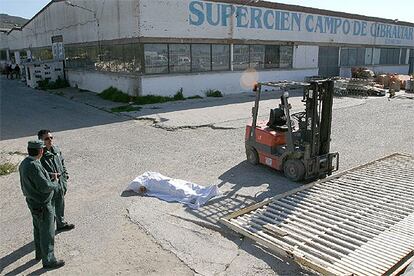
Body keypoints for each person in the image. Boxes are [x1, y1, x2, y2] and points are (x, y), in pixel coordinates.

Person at [19, 140, 65, 269]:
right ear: (40, 151)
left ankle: (40, 253)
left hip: (33, 202)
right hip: (42, 204)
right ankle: (49, 260)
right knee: (47, 232)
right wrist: (55, 182)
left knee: (38, 229)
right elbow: (45, 187)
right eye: (43, 149)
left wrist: (50, 175)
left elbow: (38, 178)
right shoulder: (34, 165)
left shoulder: (25, 163)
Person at [38, 129, 75, 232]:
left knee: (60, 203)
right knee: (50, 208)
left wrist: (65, 175)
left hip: (61, 183)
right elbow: (39, 172)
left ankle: (61, 224)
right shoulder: (40, 154)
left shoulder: (56, 150)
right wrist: (52, 176)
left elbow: (62, 163)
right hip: (50, 185)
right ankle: (48, 229)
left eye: (51, 137)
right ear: (41, 141)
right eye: (46, 138)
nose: (50, 140)